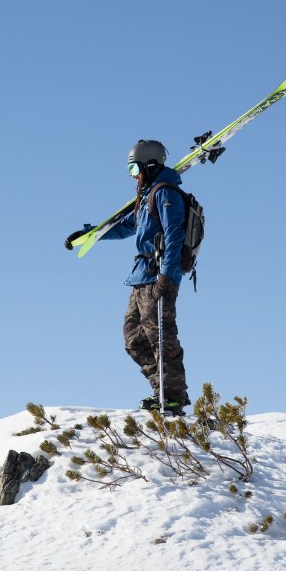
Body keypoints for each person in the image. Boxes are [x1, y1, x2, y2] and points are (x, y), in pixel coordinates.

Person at [64, 139, 189, 415]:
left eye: (134, 169)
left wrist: (167, 278)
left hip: (159, 277)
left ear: (150, 165)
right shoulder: (146, 198)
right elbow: (124, 227)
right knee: (133, 339)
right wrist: (90, 233)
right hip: (140, 278)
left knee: (162, 336)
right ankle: (161, 389)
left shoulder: (165, 194)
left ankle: (174, 397)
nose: (133, 175)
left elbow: (174, 236)